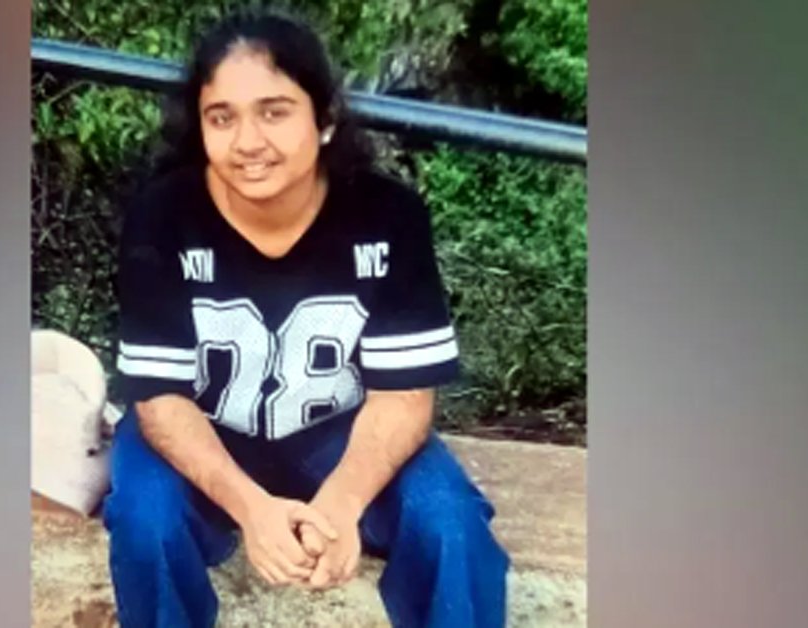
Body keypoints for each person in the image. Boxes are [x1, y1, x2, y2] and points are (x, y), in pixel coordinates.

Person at [103, 10, 509, 628]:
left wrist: (343, 503)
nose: (248, 141)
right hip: (206, 428)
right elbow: (159, 401)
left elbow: (403, 398)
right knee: (143, 520)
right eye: (222, 117)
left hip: (339, 430)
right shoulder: (163, 216)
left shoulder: (387, 216)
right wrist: (251, 508)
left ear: (324, 119)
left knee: (449, 522)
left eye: (274, 112)